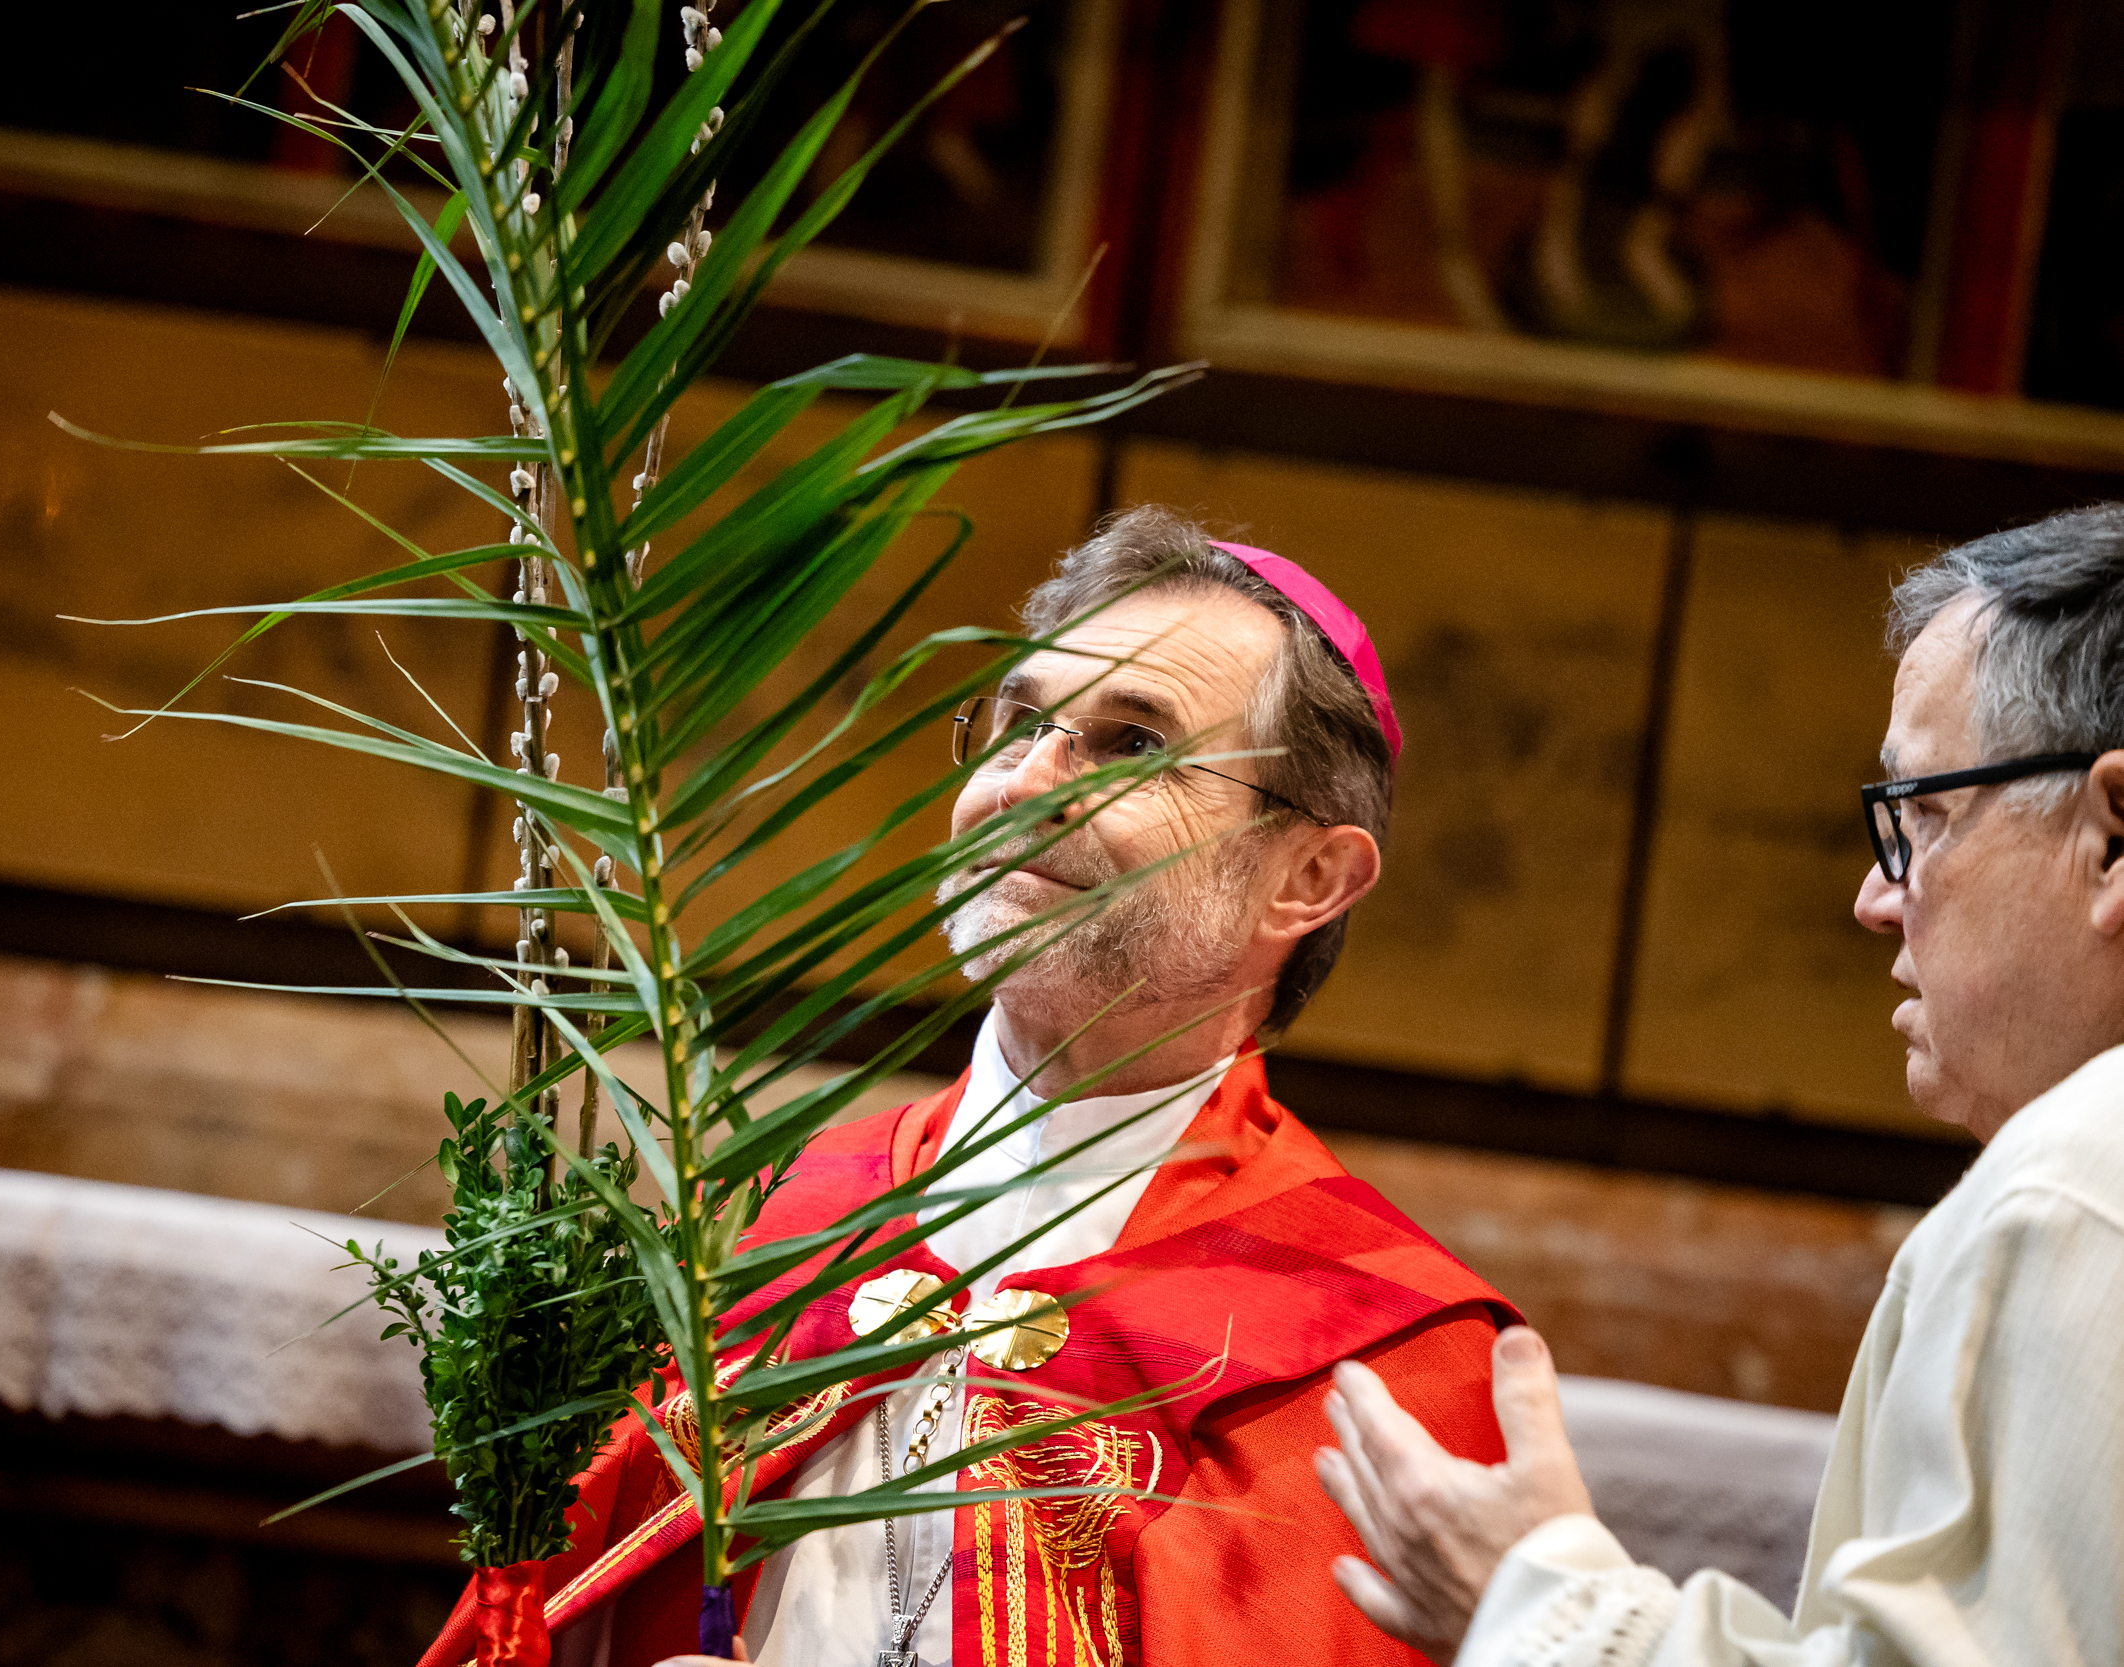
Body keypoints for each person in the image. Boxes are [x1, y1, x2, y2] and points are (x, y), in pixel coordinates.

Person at [415, 505, 1521, 1667]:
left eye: (1130, 742)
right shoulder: (777, 1213)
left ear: (1306, 876)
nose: (1026, 782)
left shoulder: (1382, 1356)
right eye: (1019, 723)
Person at [1314, 504, 2124, 1665]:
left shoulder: (2078, 1184)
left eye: (1922, 813)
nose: (1874, 897)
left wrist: (1544, 1604)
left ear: (2111, 836)